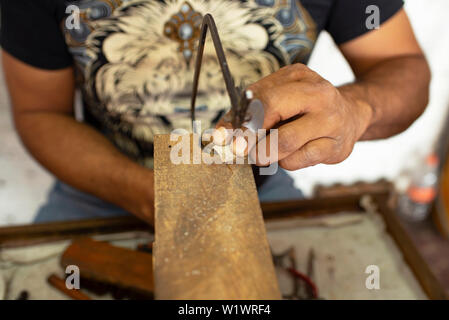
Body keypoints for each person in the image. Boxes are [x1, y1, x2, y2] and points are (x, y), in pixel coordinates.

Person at [0, 0, 430, 224]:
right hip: (100, 184)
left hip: (255, 184)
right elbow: (40, 114)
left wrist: (356, 110)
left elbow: (403, 68)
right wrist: (145, 195)